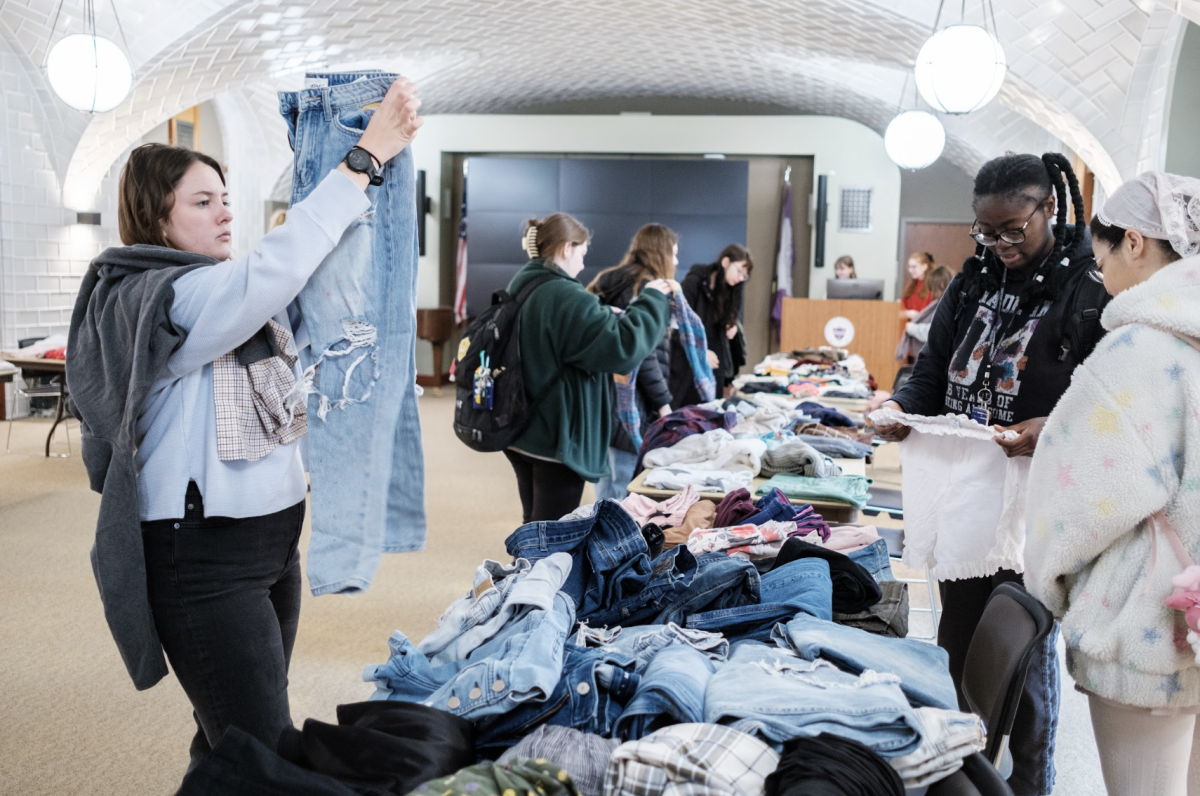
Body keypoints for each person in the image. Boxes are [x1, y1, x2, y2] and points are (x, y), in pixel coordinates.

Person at [67, 78, 424, 769]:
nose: (226, 215)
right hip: (204, 558)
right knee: (261, 743)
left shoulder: (222, 295)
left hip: (267, 543)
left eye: (227, 200)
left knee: (237, 734)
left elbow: (301, 303)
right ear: (156, 219)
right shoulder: (164, 296)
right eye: (203, 203)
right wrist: (361, 161)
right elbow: (276, 269)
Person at [874, 152, 1111, 796]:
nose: (1000, 244)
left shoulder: (1088, 288)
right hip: (968, 499)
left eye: (1014, 230)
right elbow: (930, 375)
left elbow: (1106, 401)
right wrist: (899, 409)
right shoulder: (973, 281)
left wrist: (1047, 428)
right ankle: (961, 779)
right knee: (957, 654)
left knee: (1024, 675)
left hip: (1037, 507)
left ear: (1048, 209)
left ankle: (1032, 785)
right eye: (985, 231)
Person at [1025, 172, 1200, 796]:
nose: (1105, 282)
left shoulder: (1137, 353)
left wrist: (1051, 587)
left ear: (1133, 243)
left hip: (1150, 627)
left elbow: (1075, 505)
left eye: (1100, 264)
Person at [504, 213, 671, 523]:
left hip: (522, 428)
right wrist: (653, 300)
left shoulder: (523, 282)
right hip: (557, 436)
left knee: (534, 522)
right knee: (553, 531)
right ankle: (536, 571)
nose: (583, 262)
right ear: (567, 247)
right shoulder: (565, 294)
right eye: (582, 252)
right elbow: (623, 348)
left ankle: (524, 568)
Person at [588, 224, 680, 501]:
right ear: (660, 253)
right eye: (673, 254)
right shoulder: (648, 288)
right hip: (632, 402)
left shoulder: (609, 279)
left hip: (602, 395)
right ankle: (610, 541)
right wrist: (664, 403)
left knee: (608, 480)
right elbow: (644, 353)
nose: (676, 262)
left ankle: (600, 537)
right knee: (623, 488)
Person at [670, 244, 753, 405]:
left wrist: (732, 325)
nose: (740, 278)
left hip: (714, 360)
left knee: (711, 413)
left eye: (745, 276)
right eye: (739, 271)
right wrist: (700, 351)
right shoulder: (693, 283)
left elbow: (727, 318)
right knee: (687, 414)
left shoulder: (731, 289)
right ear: (725, 262)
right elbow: (678, 328)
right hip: (688, 362)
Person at [894, 264, 954, 361]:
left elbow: (935, 331)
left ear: (942, 285)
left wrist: (912, 328)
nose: (935, 293)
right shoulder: (943, 302)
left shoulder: (948, 306)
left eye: (936, 290)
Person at [901, 251, 936, 319]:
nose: (910, 270)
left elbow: (930, 314)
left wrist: (917, 315)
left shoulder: (931, 287)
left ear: (924, 267)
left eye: (914, 267)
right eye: (909, 267)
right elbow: (902, 307)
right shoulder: (909, 287)